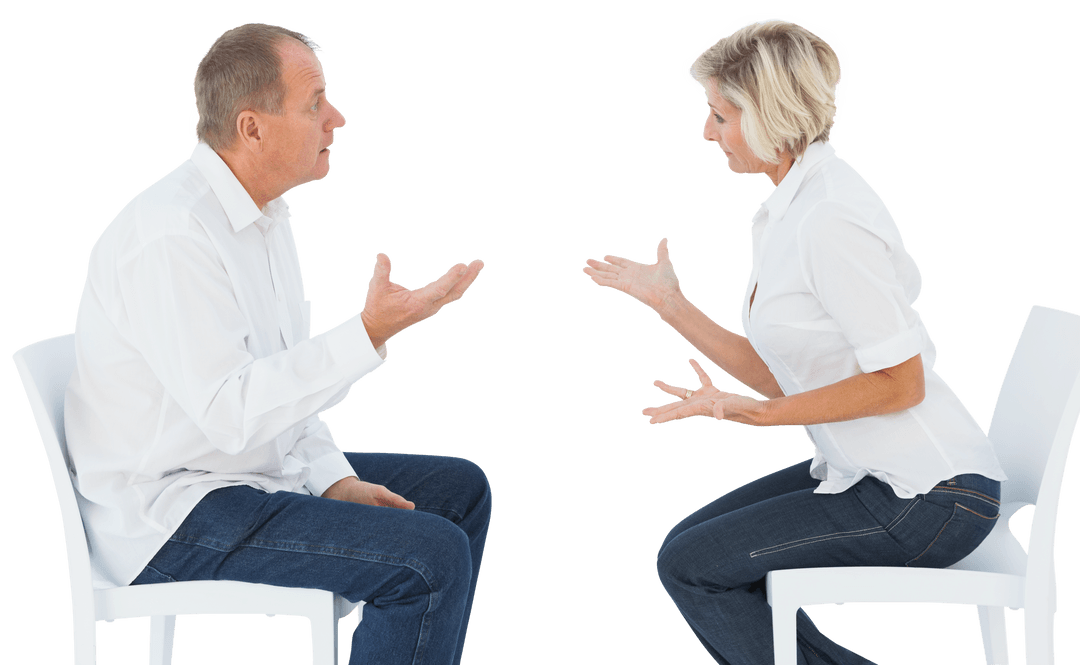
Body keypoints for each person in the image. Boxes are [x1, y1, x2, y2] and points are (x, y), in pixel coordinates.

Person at [582, 15, 1006, 665]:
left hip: (931, 497)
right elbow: (784, 372)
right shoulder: (789, 208)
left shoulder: (828, 219)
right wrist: (671, 304)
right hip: (874, 475)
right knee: (688, 552)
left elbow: (902, 382)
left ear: (766, 116)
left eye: (720, 115)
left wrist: (762, 416)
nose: (706, 131)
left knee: (695, 567)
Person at [64, 22, 491, 665]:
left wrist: (334, 478)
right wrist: (366, 334)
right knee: (427, 558)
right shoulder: (172, 236)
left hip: (240, 477)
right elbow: (233, 414)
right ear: (252, 127)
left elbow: (281, 387)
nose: (337, 118)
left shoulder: (264, 217)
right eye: (314, 101)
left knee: (458, 493)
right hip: (172, 515)